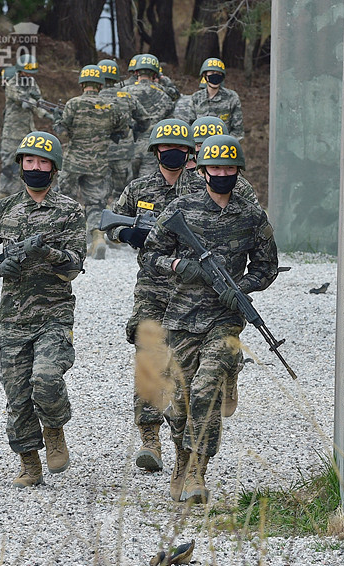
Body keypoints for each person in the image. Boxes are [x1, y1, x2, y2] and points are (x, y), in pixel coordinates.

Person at [142, 134, 278, 503]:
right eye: (215, 168)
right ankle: (181, 462)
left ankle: (199, 472)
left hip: (225, 319)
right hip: (182, 318)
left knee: (206, 390)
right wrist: (178, 265)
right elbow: (149, 255)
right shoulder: (181, 209)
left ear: (238, 171)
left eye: (229, 168)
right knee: (183, 401)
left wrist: (240, 287)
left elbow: (267, 268)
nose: (222, 174)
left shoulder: (251, 216)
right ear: (202, 171)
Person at [0, 130, 86, 488]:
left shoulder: (69, 211)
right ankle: (29, 463)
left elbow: (75, 265)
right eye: (29, 161)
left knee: (45, 380)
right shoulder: (3, 209)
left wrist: (45, 252)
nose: (35, 167)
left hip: (54, 314)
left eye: (43, 162)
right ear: (20, 166)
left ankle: (54, 428)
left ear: (54, 167)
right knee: (17, 396)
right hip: (14, 319)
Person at [106, 118, 206, 474]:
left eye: (181, 148)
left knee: (186, 367)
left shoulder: (201, 187)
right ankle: (150, 439)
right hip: (151, 287)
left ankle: (189, 446)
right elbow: (110, 227)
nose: (174, 153)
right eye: (167, 148)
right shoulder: (139, 189)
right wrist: (125, 235)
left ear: (190, 151)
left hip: (192, 290)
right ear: (156, 151)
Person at [185, 119, 261, 416]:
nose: (208, 151)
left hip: (225, 273)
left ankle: (229, 373)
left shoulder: (238, 185)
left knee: (225, 333)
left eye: (212, 143)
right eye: (200, 147)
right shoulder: (188, 180)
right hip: (188, 274)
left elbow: (252, 225)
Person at [53, 64, 130, 259]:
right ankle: (98, 240)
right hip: (98, 164)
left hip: (73, 162)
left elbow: (62, 131)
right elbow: (123, 131)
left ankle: (64, 240)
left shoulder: (73, 104)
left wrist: (58, 121)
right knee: (96, 203)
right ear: (100, 84)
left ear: (82, 83)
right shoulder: (110, 107)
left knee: (65, 200)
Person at [0, 54, 56, 198]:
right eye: (26, 72)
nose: (29, 75)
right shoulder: (12, 83)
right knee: (7, 165)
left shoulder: (31, 82)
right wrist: (32, 101)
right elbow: (22, 99)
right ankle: (3, 195)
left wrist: (46, 113)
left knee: (24, 166)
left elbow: (37, 101)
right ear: (20, 70)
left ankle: (20, 196)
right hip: (12, 132)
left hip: (27, 132)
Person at [98, 58, 151, 204]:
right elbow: (145, 120)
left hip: (97, 153)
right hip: (124, 152)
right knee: (121, 194)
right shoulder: (126, 96)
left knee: (97, 194)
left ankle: (96, 224)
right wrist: (134, 133)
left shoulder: (92, 98)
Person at [122, 54, 175, 178]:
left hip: (128, 146)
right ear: (155, 75)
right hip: (152, 147)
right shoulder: (165, 95)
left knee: (126, 188)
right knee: (147, 186)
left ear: (136, 72)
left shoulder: (124, 92)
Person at [181, 58, 243, 140]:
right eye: (212, 73)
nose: (215, 76)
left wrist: (227, 143)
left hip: (223, 146)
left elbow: (238, 130)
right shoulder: (196, 98)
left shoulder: (232, 97)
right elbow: (190, 125)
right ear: (204, 75)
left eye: (218, 73)